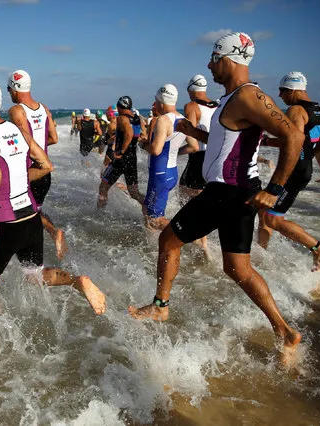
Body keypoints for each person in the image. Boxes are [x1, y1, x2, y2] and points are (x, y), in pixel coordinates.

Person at [128, 32, 305, 364]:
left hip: (229, 191)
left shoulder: (247, 95)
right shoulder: (231, 99)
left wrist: (276, 188)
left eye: (213, 58)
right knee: (238, 268)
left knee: (168, 239)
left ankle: (160, 307)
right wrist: (197, 134)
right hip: (237, 191)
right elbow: (233, 141)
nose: (209, 65)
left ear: (230, 59)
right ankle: (284, 331)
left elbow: (293, 135)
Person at [0, 80, 106, 315]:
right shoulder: (16, 130)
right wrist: (17, 180)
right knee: (35, 276)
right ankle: (77, 281)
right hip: (31, 218)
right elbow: (46, 165)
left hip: (2, 225)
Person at [257, 71, 320, 271]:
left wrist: (267, 141)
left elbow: (293, 140)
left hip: (293, 169)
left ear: (292, 90)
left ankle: (319, 248)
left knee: (271, 218)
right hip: (302, 167)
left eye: (282, 91)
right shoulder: (318, 110)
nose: (280, 96)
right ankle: (261, 254)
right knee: (264, 209)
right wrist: (310, 154)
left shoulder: (296, 110)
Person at [7, 70, 68, 260]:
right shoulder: (44, 108)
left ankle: (40, 241)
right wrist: (40, 148)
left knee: (22, 213)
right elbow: (54, 138)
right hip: (45, 174)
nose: (9, 93)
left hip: (29, 172)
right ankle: (50, 235)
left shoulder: (17, 111)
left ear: (16, 88)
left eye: (9, 89)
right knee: (35, 210)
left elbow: (24, 142)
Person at [177, 74, 218, 258]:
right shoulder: (217, 105)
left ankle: (197, 246)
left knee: (185, 197)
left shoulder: (191, 106)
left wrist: (174, 151)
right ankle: (204, 245)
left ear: (190, 90)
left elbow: (189, 133)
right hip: (217, 157)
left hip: (199, 157)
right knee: (204, 199)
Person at [141, 84, 186, 231]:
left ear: (161, 101)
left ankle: (191, 234)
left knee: (155, 219)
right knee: (147, 209)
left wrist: (142, 145)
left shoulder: (163, 120)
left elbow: (155, 150)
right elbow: (194, 146)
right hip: (171, 172)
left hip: (160, 174)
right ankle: (153, 246)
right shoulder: (183, 119)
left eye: (156, 99)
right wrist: (173, 153)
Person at [98, 96, 145, 209]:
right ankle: (149, 211)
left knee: (103, 186)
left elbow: (128, 134)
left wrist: (121, 151)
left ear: (119, 107)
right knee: (134, 193)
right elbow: (142, 135)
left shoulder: (121, 118)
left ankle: (99, 213)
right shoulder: (138, 119)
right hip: (132, 160)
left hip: (120, 160)